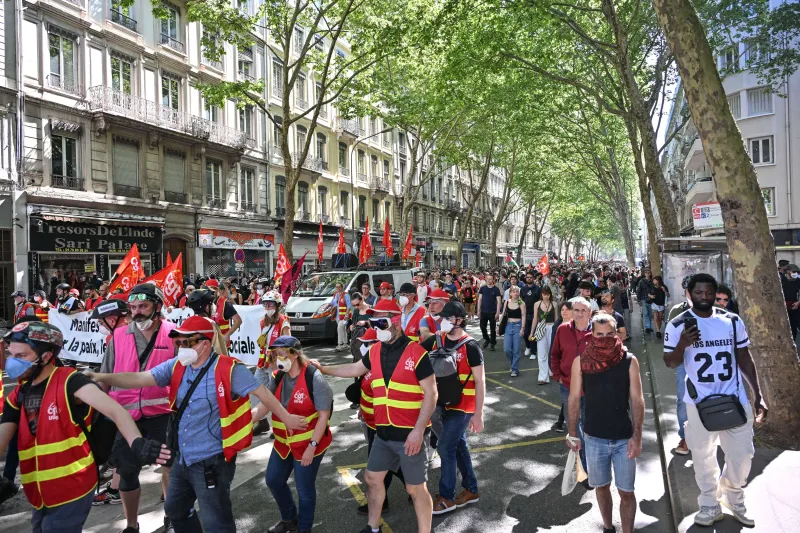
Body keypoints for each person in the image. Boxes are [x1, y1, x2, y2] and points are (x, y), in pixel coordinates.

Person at [87, 316, 308, 533]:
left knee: (217, 522)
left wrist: (286, 417)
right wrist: (101, 376)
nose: (180, 347)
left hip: (211, 461)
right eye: (178, 342)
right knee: (175, 509)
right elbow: (138, 378)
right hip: (183, 458)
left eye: (187, 342)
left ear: (204, 343)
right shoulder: (177, 366)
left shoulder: (229, 369)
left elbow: (264, 396)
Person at [0, 321, 171, 533]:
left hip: (72, 488)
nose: (11, 362)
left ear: (45, 357)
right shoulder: (20, 394)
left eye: (21, 356)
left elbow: (116, 411)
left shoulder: (70, 381)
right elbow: (3, 432)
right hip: (38, 494)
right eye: (10, 354)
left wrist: (136, 442)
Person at [314, 299, 438, 533]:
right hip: (383, 433)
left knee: (415, 489)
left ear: (396, 323)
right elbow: (354, 369)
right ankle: (373, 528)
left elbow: (432, 394)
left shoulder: (416, 352)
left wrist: (419, 431)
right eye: (374, 322)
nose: (377, 327)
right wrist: (324, 368)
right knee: (372, 479)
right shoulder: (375, 351)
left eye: (382, 322)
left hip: (409, 434)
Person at [663, 273, 767, 527]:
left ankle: (734, 496)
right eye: (699, 293)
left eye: (709, 293)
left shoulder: (731, 321)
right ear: (689, 293)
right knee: (702, 457)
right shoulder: (678, 325)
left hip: (735, 398)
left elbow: (744, 358)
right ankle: (709, 504)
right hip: (698, 403)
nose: (705, 297)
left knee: (743, 455)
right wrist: (684, 344)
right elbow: (670, 362)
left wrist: (758, 395)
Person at [98, 283, 177, 533]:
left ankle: (172, 518)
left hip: (163, 415)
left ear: (158, 307)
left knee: (169, 467)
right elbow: (105, 377)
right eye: (133, 307)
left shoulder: (174, 334)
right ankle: (131, 526)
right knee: (127, 472)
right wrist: (103, 417)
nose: (137, 312)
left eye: (143, 306)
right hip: (126, 419)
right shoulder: (118, 336)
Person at [567, 313, 644, 533]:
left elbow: (638, 400)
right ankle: (608, 527)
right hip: (593, 437)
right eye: (599, 334)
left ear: (617, 333)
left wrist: (637, 437)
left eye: (609, 334)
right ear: (592, 334)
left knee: (627, 492)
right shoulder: (581, 362)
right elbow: (573, 399)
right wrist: (572, 433)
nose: (604, 339)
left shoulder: (629, 361)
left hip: (624, 438)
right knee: (601, 487)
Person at [249, 336, 333, 533]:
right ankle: (289, 519)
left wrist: (312, 447)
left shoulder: (313, 376)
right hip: (283, 443)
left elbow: (324, 416)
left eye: (283, 352)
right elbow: (264, 406)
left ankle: (304, 529)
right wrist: (242, 422)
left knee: (304, 489)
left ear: (295, 354)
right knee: (273, 480)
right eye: (275, 353)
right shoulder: (277, 376)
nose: (278, 357)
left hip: (309, 443)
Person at [420, 302, 484, 515]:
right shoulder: (437, 340)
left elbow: (480, 381)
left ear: (459, 320)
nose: (442, 321)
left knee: (446, 447)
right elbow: (413, 353)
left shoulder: (471, 346)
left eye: (447, 318)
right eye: (441, 318)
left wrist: (478, 414)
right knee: (458, 446)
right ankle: (471, 489)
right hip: (441, 403)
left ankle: (446, 496)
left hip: (464, 406)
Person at [350, 328, 406, 514]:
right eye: (364, 344)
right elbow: (366, 391)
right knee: (388, 465)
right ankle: (411, 487)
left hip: (381, 425)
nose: (364, 347)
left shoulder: (383, 367)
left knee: (381, 466)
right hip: (370, 421)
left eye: (368, 344)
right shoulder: (369, 364)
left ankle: (385, 501)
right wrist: (361, 409)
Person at [90, 297, 131, 506]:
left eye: (101, 321)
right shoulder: (136, 329)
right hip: (143, 399)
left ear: (112, 319)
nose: (100, 326)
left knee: (119, 448)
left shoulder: (117, 336)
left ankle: (115, 489)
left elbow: (108, 372)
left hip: (122, 399)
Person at [550, 297, 593, 473]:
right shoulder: (562, 329)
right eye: (577, 310)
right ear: (572, 312)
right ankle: (583, 462)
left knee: (589, 426)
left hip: (591, 389)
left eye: (584, 311)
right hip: (567, 386)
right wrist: (558, 376)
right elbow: (555, 355)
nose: (580, 314)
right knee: (573, 426)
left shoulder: (598, 331)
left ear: (590, 313)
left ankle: (587, 464)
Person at [253, 291, 293, 436]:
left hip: (276, 365)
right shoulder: (263, 322)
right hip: (262, 363)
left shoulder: (284, 321)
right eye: (265, 304)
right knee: (254, 391)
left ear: (277, 305)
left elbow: (289, 342)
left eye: (270, 304)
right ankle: (262, 422)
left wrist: (281, 360)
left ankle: (281, 425)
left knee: (276, 396)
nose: (267, 307)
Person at [667, 276, 693, 456]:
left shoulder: (715, 312)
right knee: (683, 400)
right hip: (684, 363)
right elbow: (670, 346)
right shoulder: (677, 312)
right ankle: (686, 437)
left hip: (710, 365)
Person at [550, 301, 572, 433]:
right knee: (567, 396)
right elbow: (553, 349)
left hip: (575, 368)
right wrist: (555, 371)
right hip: (563, 369)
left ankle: (561, 421)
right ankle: (561, 421)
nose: (564, 311)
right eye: (562, 309)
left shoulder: (577, 326)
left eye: (567, 309)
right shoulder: (557, 326)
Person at [185, 289, 229, 355]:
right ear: (206, 307)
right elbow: (219, 351)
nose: (213, 306)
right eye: (211, 304)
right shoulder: (210, 324)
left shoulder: (187, 323)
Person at [529, 285, 557, 384]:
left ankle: (551, 371)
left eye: (548, 294)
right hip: (540, 328)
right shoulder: (537, 304)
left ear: (550, 294)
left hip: (552, 328)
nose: (546, 296)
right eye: (544, 294)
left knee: (552, 351)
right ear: (541, 294)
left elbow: (556, 320)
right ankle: (542, 377)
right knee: (541, 353)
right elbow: (535, 319)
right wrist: (531, 333)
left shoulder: (554, 304)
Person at [500, 285, 526, 378]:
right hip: (508, 326)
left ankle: (514, 369)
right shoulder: (507, 302)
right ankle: (513, 364)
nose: (516, 293)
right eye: (514, 291)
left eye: (517, 291)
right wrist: (498, 326)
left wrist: (522, 328)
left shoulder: (521, 303)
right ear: (510, 293)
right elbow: (503, 314)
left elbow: (523, 315)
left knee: (516, 349)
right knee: (507, 349)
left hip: (518, 326)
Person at [208, 280, 243, 347]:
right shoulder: (212, 303)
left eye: (215, 289)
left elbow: (238, 321)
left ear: (221, 291)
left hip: (222, 343)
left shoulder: (226, 304)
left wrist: (227, 335)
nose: (213, 292)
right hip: (212, 341)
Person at [477, 274, 502, 351]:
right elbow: (480, 299)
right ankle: (487, 339)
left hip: (492, 312)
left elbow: (499, 301)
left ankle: (492, 343)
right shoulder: (482, 288)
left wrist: (498, 312)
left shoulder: (496, 289)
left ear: (493, 280)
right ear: (485, 279)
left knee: (492, 329)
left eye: (490, 279)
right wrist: (478, 310)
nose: (489, 280)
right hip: (483, 311)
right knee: (482, 327)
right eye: (487, 279)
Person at [520, 272, 540, 359]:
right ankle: (527, 346)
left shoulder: (538, 289)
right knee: (525, 333)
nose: (529, 278)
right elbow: (520, 301)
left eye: (531, 277)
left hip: (534, 315)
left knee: (533, 334)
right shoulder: (523, 289)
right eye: (527, 277)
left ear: (533, 278)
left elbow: (540, 301)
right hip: (525, 314)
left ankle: (533, 351)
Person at [779, 262, 800, 340]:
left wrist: (798, 303)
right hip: (784, 307)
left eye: (797, 272)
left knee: (794, 327)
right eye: (794, 272)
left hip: (795, 306)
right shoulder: (781, 281)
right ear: (788, 271)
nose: (796, 274)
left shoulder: (797, 281)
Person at [330, 282, 351, 352]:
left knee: (339, 329)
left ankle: (339, 345)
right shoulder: (336, 294)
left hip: (344, 316)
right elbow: (332, 302)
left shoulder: (346, 295)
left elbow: (349, 305)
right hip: (337, 316)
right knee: (343, 330)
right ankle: (345, 344)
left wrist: (347, 314)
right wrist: (327, 306)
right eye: (336, 287)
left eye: (339, 287)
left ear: (342, 287)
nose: (338, 288)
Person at [635, 269, 655, 333]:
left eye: (649, 273)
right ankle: (647, 327)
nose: (648, 274)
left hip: (651, 299)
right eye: (646, 273)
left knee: (650, 313)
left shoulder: (652, 281)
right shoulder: (641, 281)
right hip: (643, 299)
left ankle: (650, 326)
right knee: (645, 313)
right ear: (644, 274)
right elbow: (638, 291)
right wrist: (638, 300)